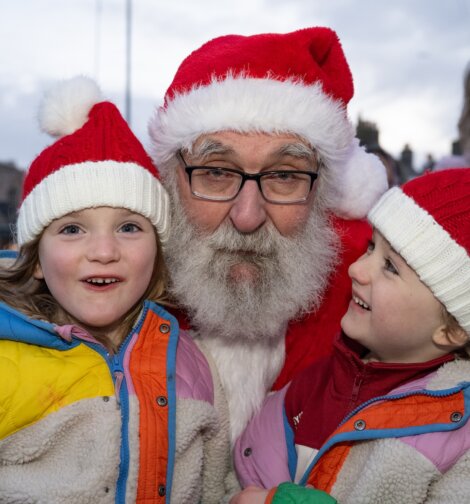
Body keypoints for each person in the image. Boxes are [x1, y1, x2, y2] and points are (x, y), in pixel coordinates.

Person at [148, 26, 388, 440]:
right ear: (171, 183)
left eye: (284, 175)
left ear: (324, 193)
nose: (247, 216)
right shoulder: (108, 298)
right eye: (217, 172)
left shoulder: (382, 320)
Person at [0, 77, 230, 504]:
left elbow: (216, 486)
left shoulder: (194, 366)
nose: (104, 251)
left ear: (158, 258)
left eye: (129, 227)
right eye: (72, 229)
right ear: (33, 261)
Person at [232, 168, 470, 503]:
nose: (356, 269)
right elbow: (243, 471)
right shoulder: (311, 386)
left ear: (453, 329)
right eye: (371, 247)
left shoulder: (459, 437)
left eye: (390, 267)